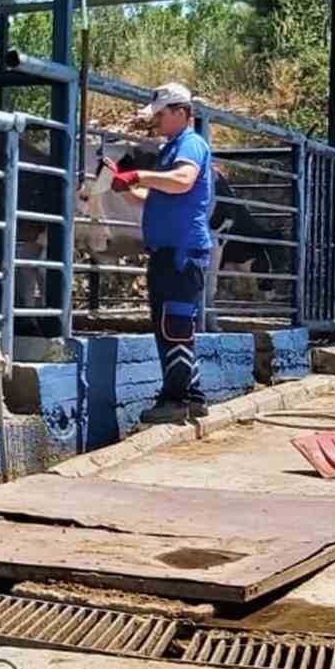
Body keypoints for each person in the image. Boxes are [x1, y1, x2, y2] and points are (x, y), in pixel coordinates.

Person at [101, 82, 214, 424]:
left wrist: (140, 175)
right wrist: (123, 186)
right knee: (173, 323)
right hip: (169, 251)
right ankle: (192, 395)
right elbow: (154, 199)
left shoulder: (190, 145)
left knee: (174, 325)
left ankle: (175, 400)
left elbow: (182, 180)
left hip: (181, 252)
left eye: (162, 114)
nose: (157, 121)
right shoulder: (170, 149)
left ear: (182, 113)